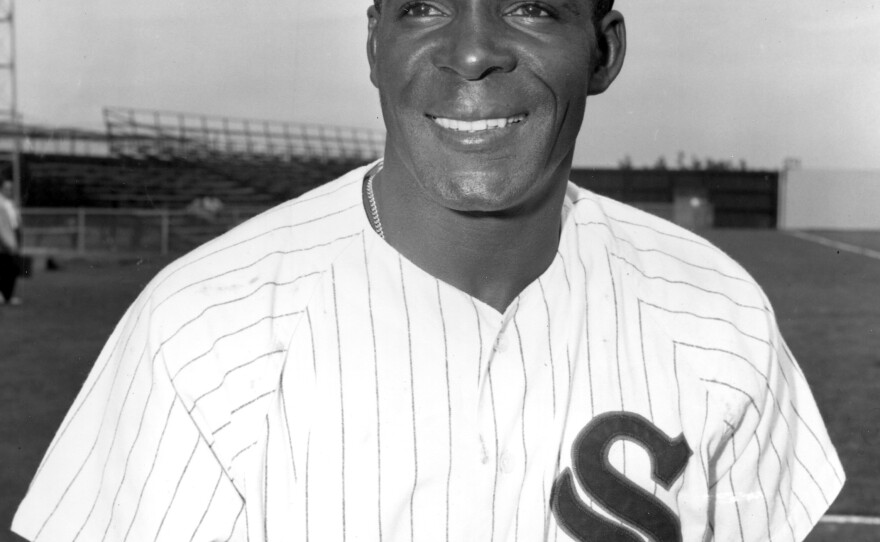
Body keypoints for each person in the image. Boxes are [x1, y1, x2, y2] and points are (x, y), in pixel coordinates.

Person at [13, 0, 844, 540]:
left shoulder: (718, 310)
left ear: (603, 49)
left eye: (531, 8)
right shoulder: (201, 327)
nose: (473, 53)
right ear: (375, 44)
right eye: (421, 8)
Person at [0, 179, 22, 306]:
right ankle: (3, 294)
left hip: (13, 239)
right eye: (7, 188)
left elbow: (15, 223)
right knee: (4, 268)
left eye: (11, 188)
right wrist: (5, 242)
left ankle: (8, 295)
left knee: (12, 269)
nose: (9, 191)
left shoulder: (11, 204)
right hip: (4, 241)